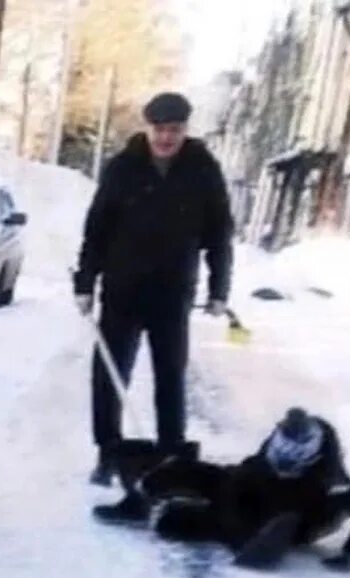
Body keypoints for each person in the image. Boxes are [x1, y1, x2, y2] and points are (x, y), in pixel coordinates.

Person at [72, 92, 234, 493]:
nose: (166, 138)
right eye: (159, 129)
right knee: (110, 373)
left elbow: (219, 233)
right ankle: (109, 452)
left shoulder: (203, 170)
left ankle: (170, 457)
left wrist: (219, 288)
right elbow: (97, 228)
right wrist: (85, 283)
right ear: (148, 128)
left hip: (172, 291)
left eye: (174, 130)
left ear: (185, 130)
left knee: (170, 377)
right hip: (123, 289)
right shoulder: (123, 168)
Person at [139, 408, 350, 570]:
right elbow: (241, 476)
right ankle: (138, 500)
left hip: (294, 514)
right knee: (187, 469)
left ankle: (199, 522)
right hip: (255, 492)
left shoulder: (334, 485)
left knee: (252, 522)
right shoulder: (269, 452)